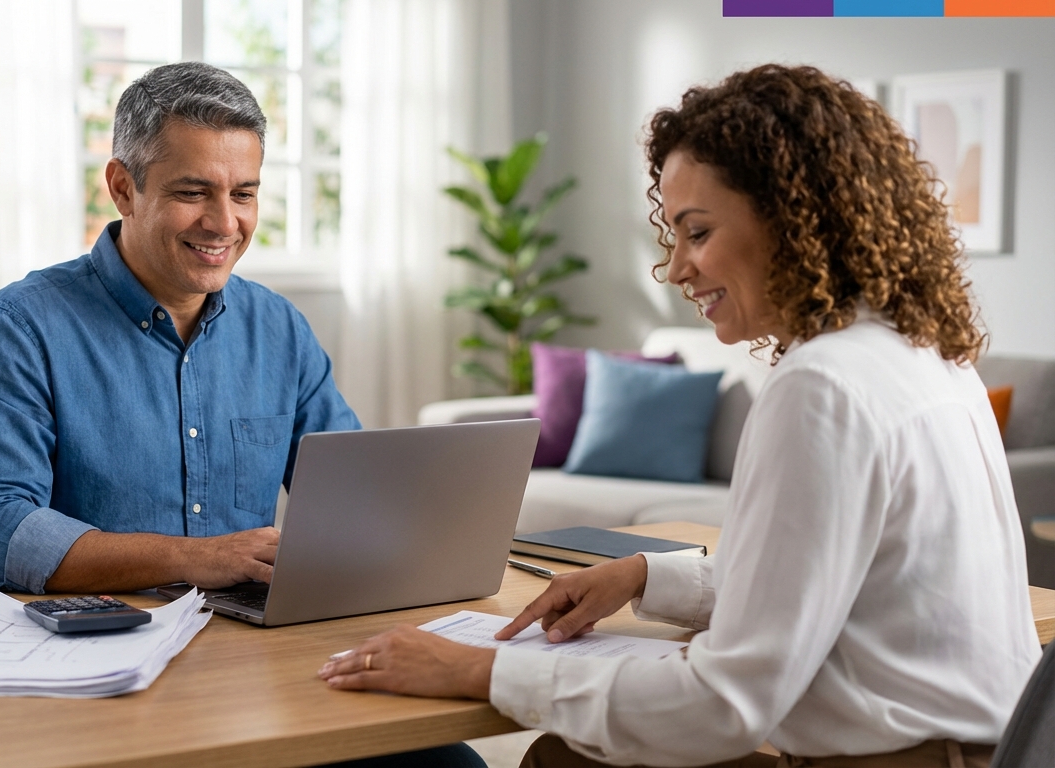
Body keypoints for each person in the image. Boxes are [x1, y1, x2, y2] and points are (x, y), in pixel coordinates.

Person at [317, 64, 1041, 767]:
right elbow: (820, 579)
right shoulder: (924, 355)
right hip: (972, 754)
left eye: (697, 233)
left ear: (793, 221)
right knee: (568, 757)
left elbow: (719, 709)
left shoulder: (822, 385)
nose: (676, 269)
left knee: (561, 761)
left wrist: (475, 670)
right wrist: (644, 576)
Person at [0, 62, 359, 595]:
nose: (225, 223)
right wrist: (193, 558)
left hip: (249, 646)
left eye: (243, 194)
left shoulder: (280, 330)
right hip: (90, 652)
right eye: (193, 193)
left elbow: (356, 496)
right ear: (122, 189)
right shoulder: (19, 330)